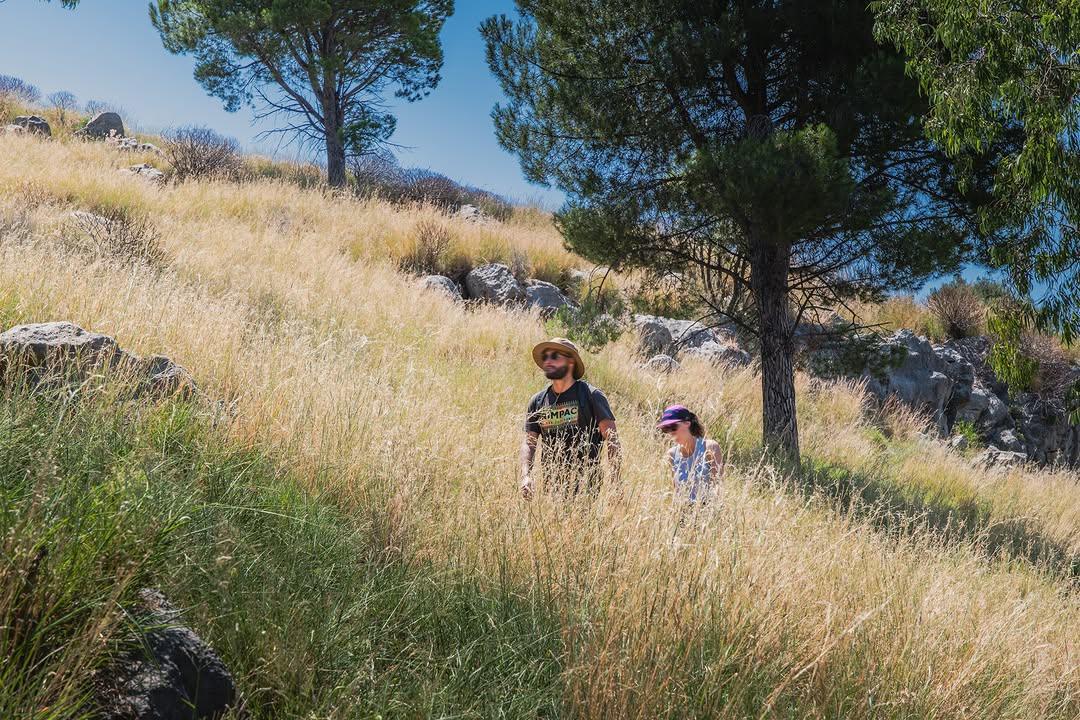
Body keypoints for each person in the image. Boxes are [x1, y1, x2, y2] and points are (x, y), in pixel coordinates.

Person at [520, 338, 620, 498]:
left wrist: (615, 481)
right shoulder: (538, 401)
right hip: (550, 492)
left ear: (571, 361)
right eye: (545, 357)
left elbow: (612, 438)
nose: (548, 360)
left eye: (554, 356)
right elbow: (529, 442)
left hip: (587, 492)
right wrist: (526, 476)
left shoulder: (591, 396)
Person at [657, 405, 724, 503]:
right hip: (682, 511)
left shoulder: (710, 447)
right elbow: (675, 491)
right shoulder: (671, 454)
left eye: (673, 427)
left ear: (687, 423)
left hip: (707, 509)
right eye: (666, 429)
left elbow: (718, 485)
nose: (670, 433)